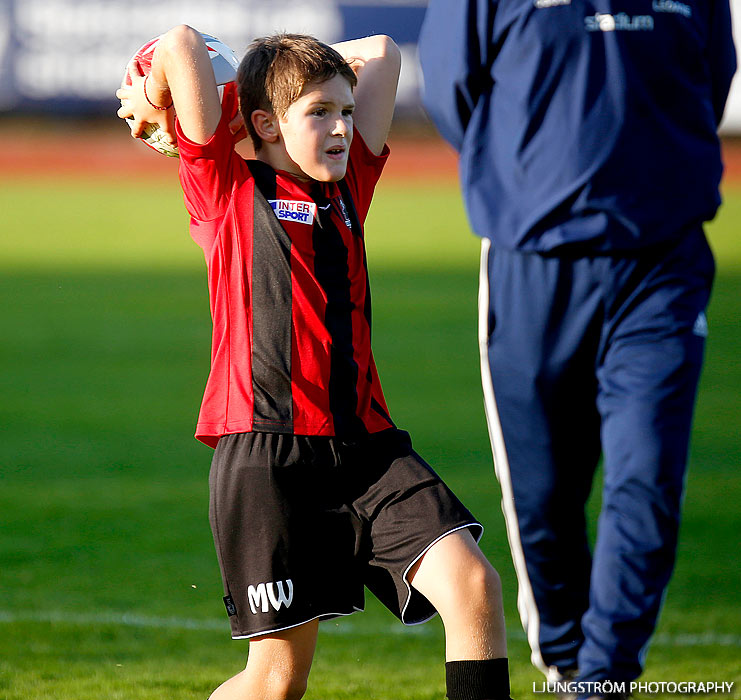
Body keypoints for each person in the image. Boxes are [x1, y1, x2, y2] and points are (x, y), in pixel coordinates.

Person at [117, 25, 513, 700]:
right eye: (319, 113)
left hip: (370, 450)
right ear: (263, 123)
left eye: (345, 112)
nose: (339, 129)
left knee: (473, 586)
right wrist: (153, 95)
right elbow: (180, 42)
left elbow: (382, 51)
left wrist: (288, 72)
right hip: (269, 457)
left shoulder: (348, 184)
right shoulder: (226, 187)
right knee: (275, 683)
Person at [419, 0, 736, 696]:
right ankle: (565, 662)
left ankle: (603, 677)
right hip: (531, 259)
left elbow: (712, 76)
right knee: (542, 493)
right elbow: (451, 91)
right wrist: (534, 178)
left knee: (647, 475)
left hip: (660, 261)